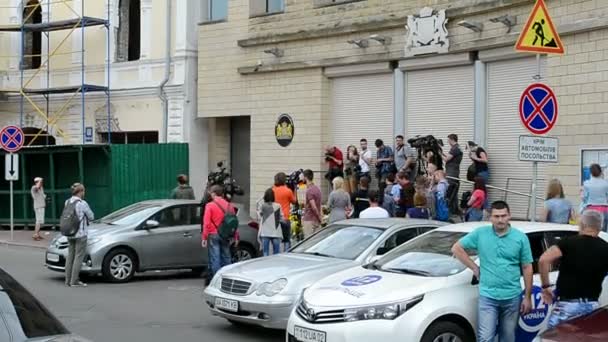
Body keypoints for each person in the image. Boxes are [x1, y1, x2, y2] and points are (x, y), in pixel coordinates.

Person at [452, 201, 533, 342]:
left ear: (509, 216)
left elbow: (527, 267)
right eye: (496, 216)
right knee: (485, 338)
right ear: (490, 217)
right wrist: (474, 267)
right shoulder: (480, 234)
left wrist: (527, 297)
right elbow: (456, 248)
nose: (500, 220)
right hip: (488, 296)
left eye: (503, 216)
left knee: (508, 338)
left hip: (512, 296)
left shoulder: (520, 238)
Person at [539, 210, 608, 329]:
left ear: (581, 224)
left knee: (555, 337)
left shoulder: (568, 243)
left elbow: (543, 260)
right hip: (593, 306)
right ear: (600, 226)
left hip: (568, 306)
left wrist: (545, 287)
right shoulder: (605, 247)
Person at [202, 185, 238, 280]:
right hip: (225, 234)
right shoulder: (230, 206)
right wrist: (235, 236)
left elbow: (206, 223)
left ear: (214, 194)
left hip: (213, 234)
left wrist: (204, 237)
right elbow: (234, 222)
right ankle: (227, 279)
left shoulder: (209, 205)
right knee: (226, 256)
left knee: (215, 258)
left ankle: (217, 280)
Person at [64, 183, 94, 287]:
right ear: (80, 192)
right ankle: (74, 281)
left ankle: (67, 280)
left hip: (69, 233)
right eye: (83, 191)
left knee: (70, 256)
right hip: (81, 234)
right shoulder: (82, 203)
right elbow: (91, 216)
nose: (84, 193)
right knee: (78, 257)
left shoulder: (67, 202)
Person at [272, 172, 297, 251]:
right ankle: (286, 254)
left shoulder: (272, 190)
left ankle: (276, 254)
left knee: (276, 238)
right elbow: (294, 201)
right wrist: (295, 190)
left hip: (274, 218)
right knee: (286, 240)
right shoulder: (288, 191)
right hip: (285, 217)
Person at [581, 163, 608, 231]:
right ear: (601, 172)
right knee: (603, 233)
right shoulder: (606, 183)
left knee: (590, 231)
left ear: (590, 172)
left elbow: (583, 198)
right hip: (604, 209)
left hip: (590, 209)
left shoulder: (586, 183)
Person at [257, 188, 284, 256]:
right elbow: (281, 217)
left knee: (265, 252)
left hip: (265, 232)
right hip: (275, 232)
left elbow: (259, 213)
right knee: (276, 253)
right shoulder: (278, 206)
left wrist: (262, 197)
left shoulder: (263, 206)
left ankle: (266, 265)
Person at [442, 134, 463, 215]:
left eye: (448, 140)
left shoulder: (455, 148)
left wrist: (439, 154)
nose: (448, 142)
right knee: (454, 192)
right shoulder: (457, 148)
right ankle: (454, 209)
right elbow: (449, 157)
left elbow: (447, 159)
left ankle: (451, 210)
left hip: (452, 172)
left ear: (451, 139)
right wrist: (442, 153)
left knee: (450, 191)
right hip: (454, 171)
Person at [302, 169, 322, 238]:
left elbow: (313, 206)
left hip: (309, 220)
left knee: (308, 243)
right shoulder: (317, 189)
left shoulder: (309, 190)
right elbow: (319, 205)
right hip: (316, 220)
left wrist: (319, 217)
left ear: (305, 177)